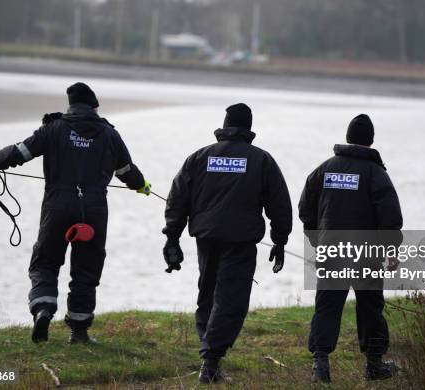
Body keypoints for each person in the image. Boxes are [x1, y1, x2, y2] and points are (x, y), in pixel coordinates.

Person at [0, 83, 150, 344]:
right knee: (86, 268)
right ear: (94, 106)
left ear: (70, 106)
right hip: (93, 211)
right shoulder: (109, 134)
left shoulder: (54, 128)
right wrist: (141, 186)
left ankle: (44, 310)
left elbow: (20, 152)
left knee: (46, 261)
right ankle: (79, 332)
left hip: (57, 207)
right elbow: (126, 171)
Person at [162, 103, 293, 384]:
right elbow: (280, 205)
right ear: (248, 128)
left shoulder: (200, 157)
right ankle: (210, 361)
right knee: (230, 300)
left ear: (225, 124)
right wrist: (279, 240)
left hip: (207, 238)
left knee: (208, 295)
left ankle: (210, 357)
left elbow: (177, 198)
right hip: (241, 240)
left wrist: (172, 236)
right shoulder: (261, 160)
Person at [298, 114, 403, 382]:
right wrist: (391, 250)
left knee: (327, 307)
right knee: (370, 307)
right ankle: (374, 364)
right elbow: (389, 217)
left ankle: (320, 366)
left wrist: (316, 240)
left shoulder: (323, 169)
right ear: (370, 141)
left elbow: (305, 209)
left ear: (347, 138)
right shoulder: (376, 173)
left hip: (332, 250)